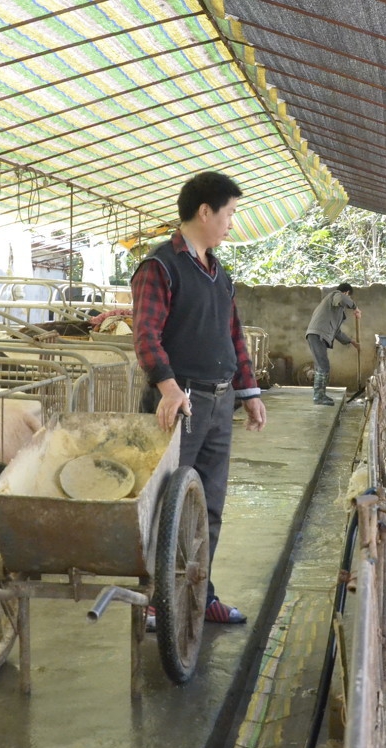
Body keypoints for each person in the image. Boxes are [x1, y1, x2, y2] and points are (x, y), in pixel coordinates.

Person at [131, 172, 267, 626]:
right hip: (182, 401)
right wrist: (167, 386)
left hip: (219, 401)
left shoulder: (220, 274)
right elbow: (146, 334)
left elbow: (234, 337)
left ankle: (201, 591)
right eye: (229, 213)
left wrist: (249, 393)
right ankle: (154, 597)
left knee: (209, 503)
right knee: (167, 502)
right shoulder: (161, 267)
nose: (232, 223)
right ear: (205, 211)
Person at [305, 282, 361, 405]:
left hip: (318, 335)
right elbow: (341, 298)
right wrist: (355, 307)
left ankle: (320, 395)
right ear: (346, 293)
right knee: (323, 366)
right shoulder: (335, 295)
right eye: (349, 297)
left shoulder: (334, 310)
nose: (349, 300)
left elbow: (337, 332)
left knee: (322, 365)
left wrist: (351, 342)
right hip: (318, 335)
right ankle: (319, 397)